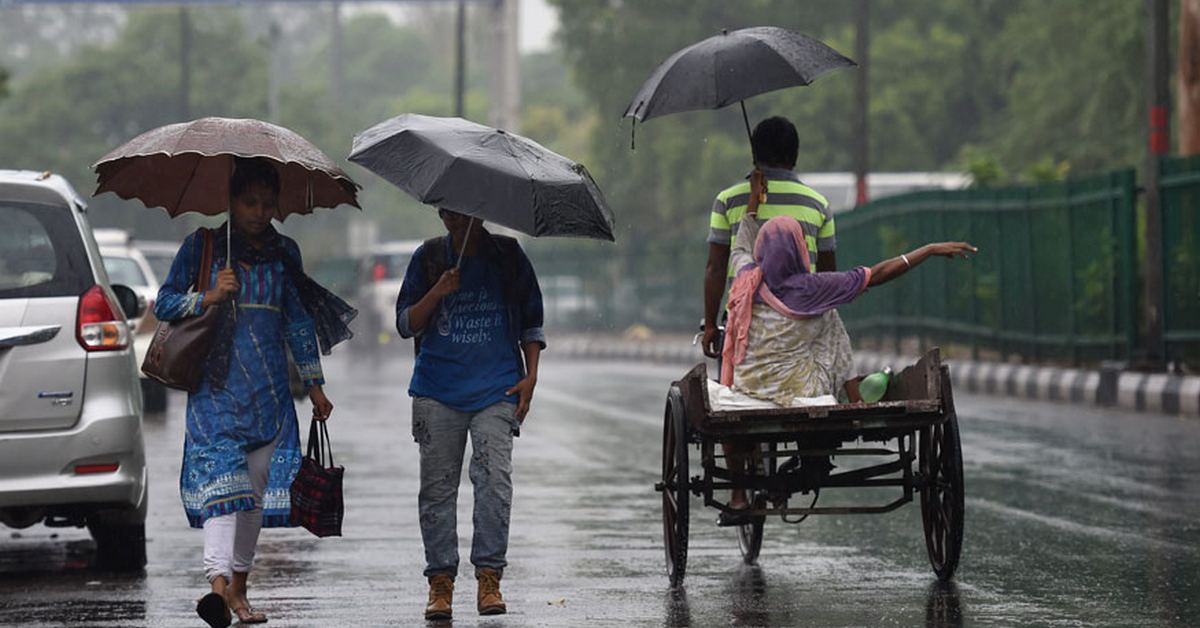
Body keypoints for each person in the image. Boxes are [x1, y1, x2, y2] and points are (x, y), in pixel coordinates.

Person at [155, 157, 355, 628]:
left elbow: (298, 322)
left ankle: (237, 590)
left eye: (268, 203)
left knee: (253, 498)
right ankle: (218, 587)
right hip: (216, 394)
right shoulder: (201, 247)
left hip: (269, 396)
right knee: (225, 491)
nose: (260, 211)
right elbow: (163, 302)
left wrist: (316, 385)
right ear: (230, 201)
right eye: (250, 202)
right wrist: (205, 296)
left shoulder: (285, 253)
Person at [717, 172, 975, 510]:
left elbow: (740, 241)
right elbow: (878, 274)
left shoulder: (746, 277)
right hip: (802, 391)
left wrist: (754, 200)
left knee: (825, 317)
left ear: (761, 252)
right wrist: (926, 250)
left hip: (750, 387)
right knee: (830, 317)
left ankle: (745, 494)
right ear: (798, 250)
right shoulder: (814, 288)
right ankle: (853, 392)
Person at [395, 208, 545, 620]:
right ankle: (440, 584)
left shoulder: (509, 256)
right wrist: (438, 292)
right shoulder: (427, 257)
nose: (456, 221)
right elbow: (406, 323)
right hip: (436, 392)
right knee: (438, 490)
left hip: (497, 390)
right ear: (441, 213)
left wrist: (531, 377)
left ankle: (489, 578)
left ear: (481, 211)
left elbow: (532, 321)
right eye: (449, 214)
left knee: (495, 482)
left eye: (466, 215)